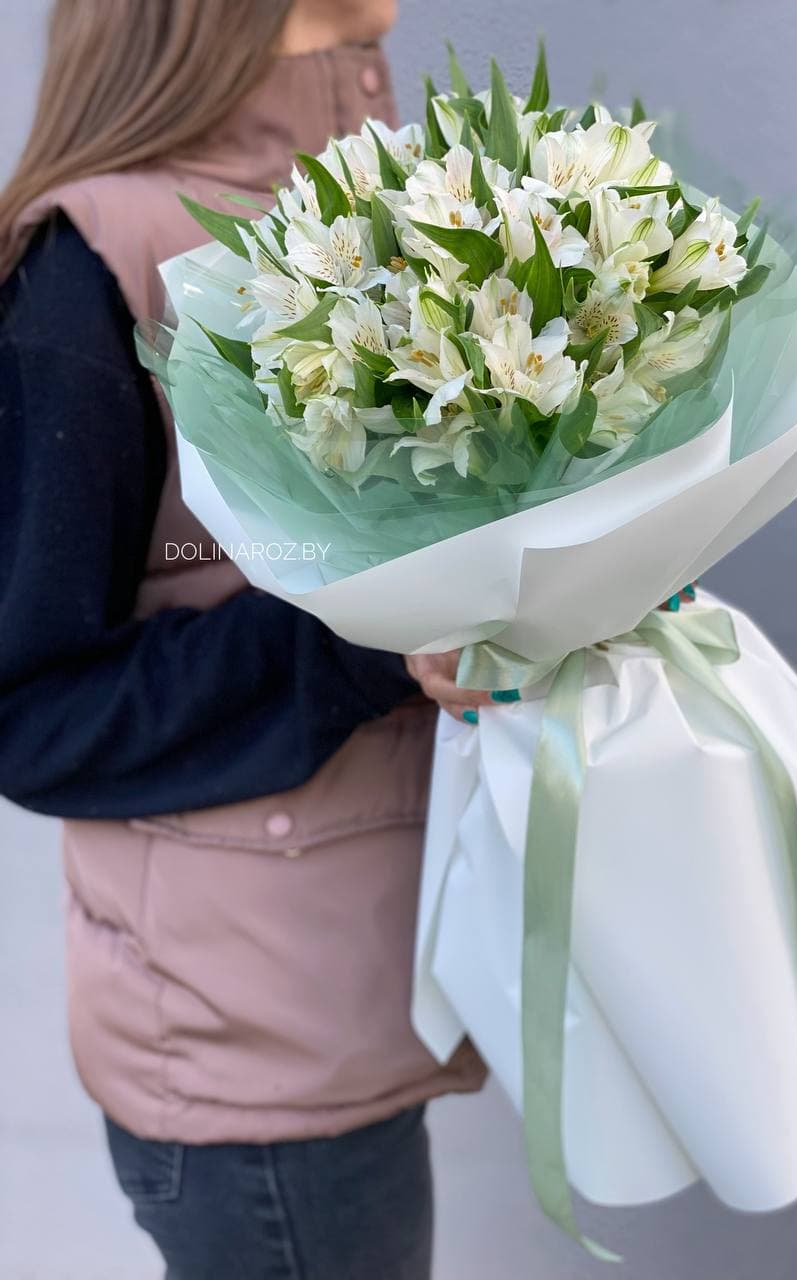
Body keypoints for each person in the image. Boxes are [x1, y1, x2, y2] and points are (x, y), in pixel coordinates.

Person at [0, 3, 490, 1276]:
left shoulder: (413, 210)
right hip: (252, 1041)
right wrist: (373, 639)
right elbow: (31, 713)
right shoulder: (98, 261)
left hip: (373, 983)